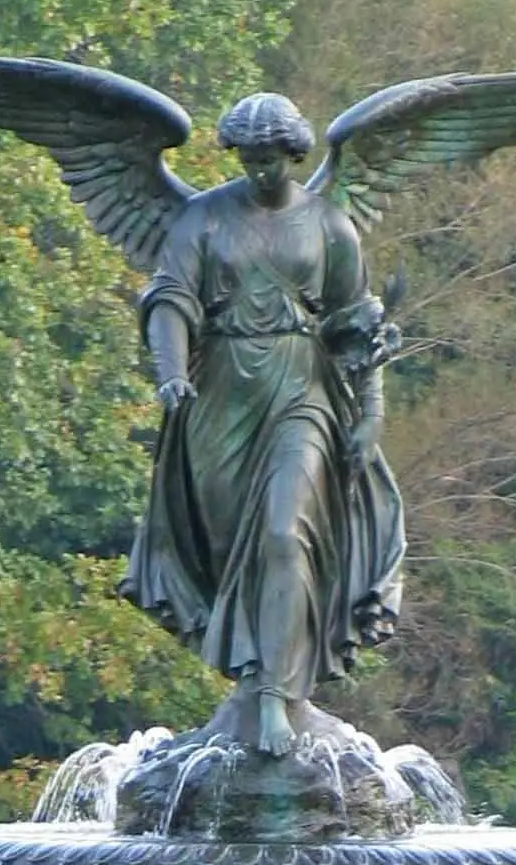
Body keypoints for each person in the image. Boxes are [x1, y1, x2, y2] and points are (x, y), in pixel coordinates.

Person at [126, 93, 405, 758]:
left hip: (299, 388)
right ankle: (252, 684)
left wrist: (370, 410)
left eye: (271, 160)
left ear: (294, 154)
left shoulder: (327, 225)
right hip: (219, 394)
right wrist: (170, 370)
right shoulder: (203, 219)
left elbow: (353, 326)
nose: (259, 172)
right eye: (248, 160)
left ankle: (280, 700)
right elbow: (169, 299)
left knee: (284, 534)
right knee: (230, 555)